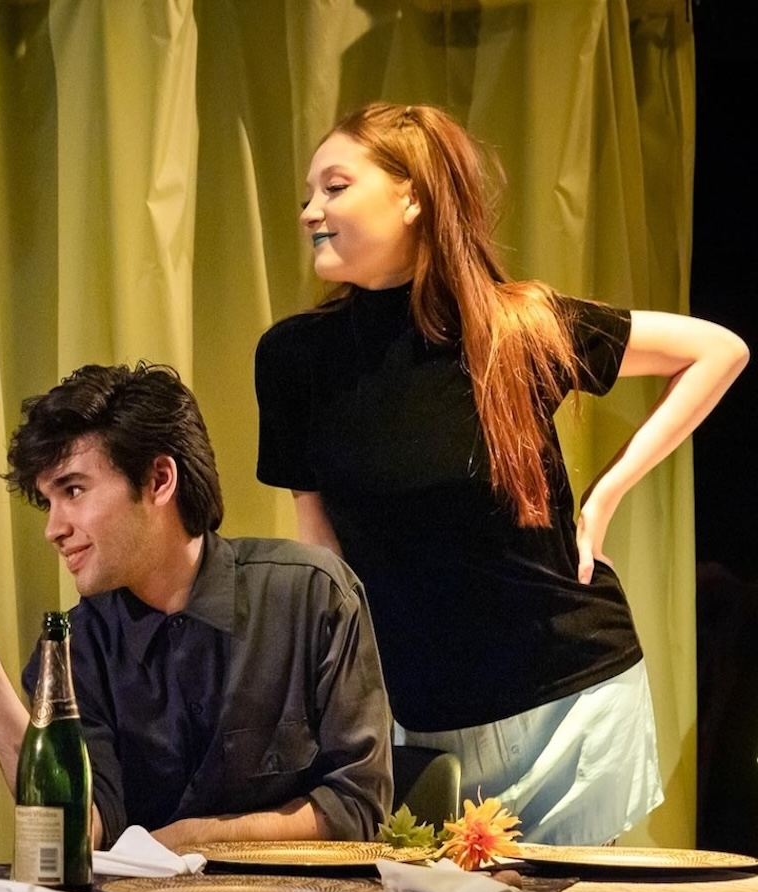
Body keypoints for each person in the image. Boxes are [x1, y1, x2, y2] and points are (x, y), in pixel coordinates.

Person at [257, 102, 748, 845]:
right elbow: (324, 551)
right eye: (307, 194)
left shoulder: (516, 328)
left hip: (569, 704)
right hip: (420, 723)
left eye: (334, 187)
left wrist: (604, 496)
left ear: (412, 194)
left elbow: (719, 350)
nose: (309, 211)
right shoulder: (295, 359)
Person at [0, 362, 393, 851]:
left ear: (158, 479)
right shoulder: (75, 646)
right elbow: (77, 833)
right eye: (49, 502)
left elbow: (359, 805)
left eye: (73, 490)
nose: (53, 528)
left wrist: (196, 840)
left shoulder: (312, 596)